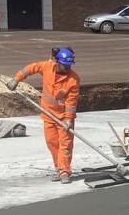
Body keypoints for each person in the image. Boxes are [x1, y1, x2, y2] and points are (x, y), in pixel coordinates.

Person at [7, 47, 79, 184]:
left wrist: (69, 119)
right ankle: (58, 169)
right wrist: (16, 79)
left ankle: (65, 171)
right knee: (52, 143)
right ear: (57, 62)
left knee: (65, 145)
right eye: (65, 65)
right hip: (48, 115)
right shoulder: (47, 67)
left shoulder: (73, 80)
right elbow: (30, 68)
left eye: (69, 66)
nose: (67, 69)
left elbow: (71, 102)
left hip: (63, 117)